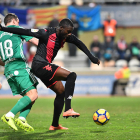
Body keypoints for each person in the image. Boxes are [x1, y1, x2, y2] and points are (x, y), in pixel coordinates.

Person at [0, 18, 100, 130]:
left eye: (71, 31)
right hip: (39, 64)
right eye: (68, 31)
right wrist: (3, 28)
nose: (69, 34)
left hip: (44, 67)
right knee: (71, 75)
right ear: (61, 28)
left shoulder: (65, 36)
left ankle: (55, 125)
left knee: (61, 91)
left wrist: (92, 58)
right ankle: (68, 109)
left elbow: (79, 43)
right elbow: (26, 32)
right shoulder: (45, 33)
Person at [0, 13, 39, 131]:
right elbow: (36, 41)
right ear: (15, 20)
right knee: (33, 94)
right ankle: (9, 115)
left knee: (31, 95)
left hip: (8, 70)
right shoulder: (17, 29)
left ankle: (22, 118)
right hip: (19, 67)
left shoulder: (1, 34)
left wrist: (7, 63)